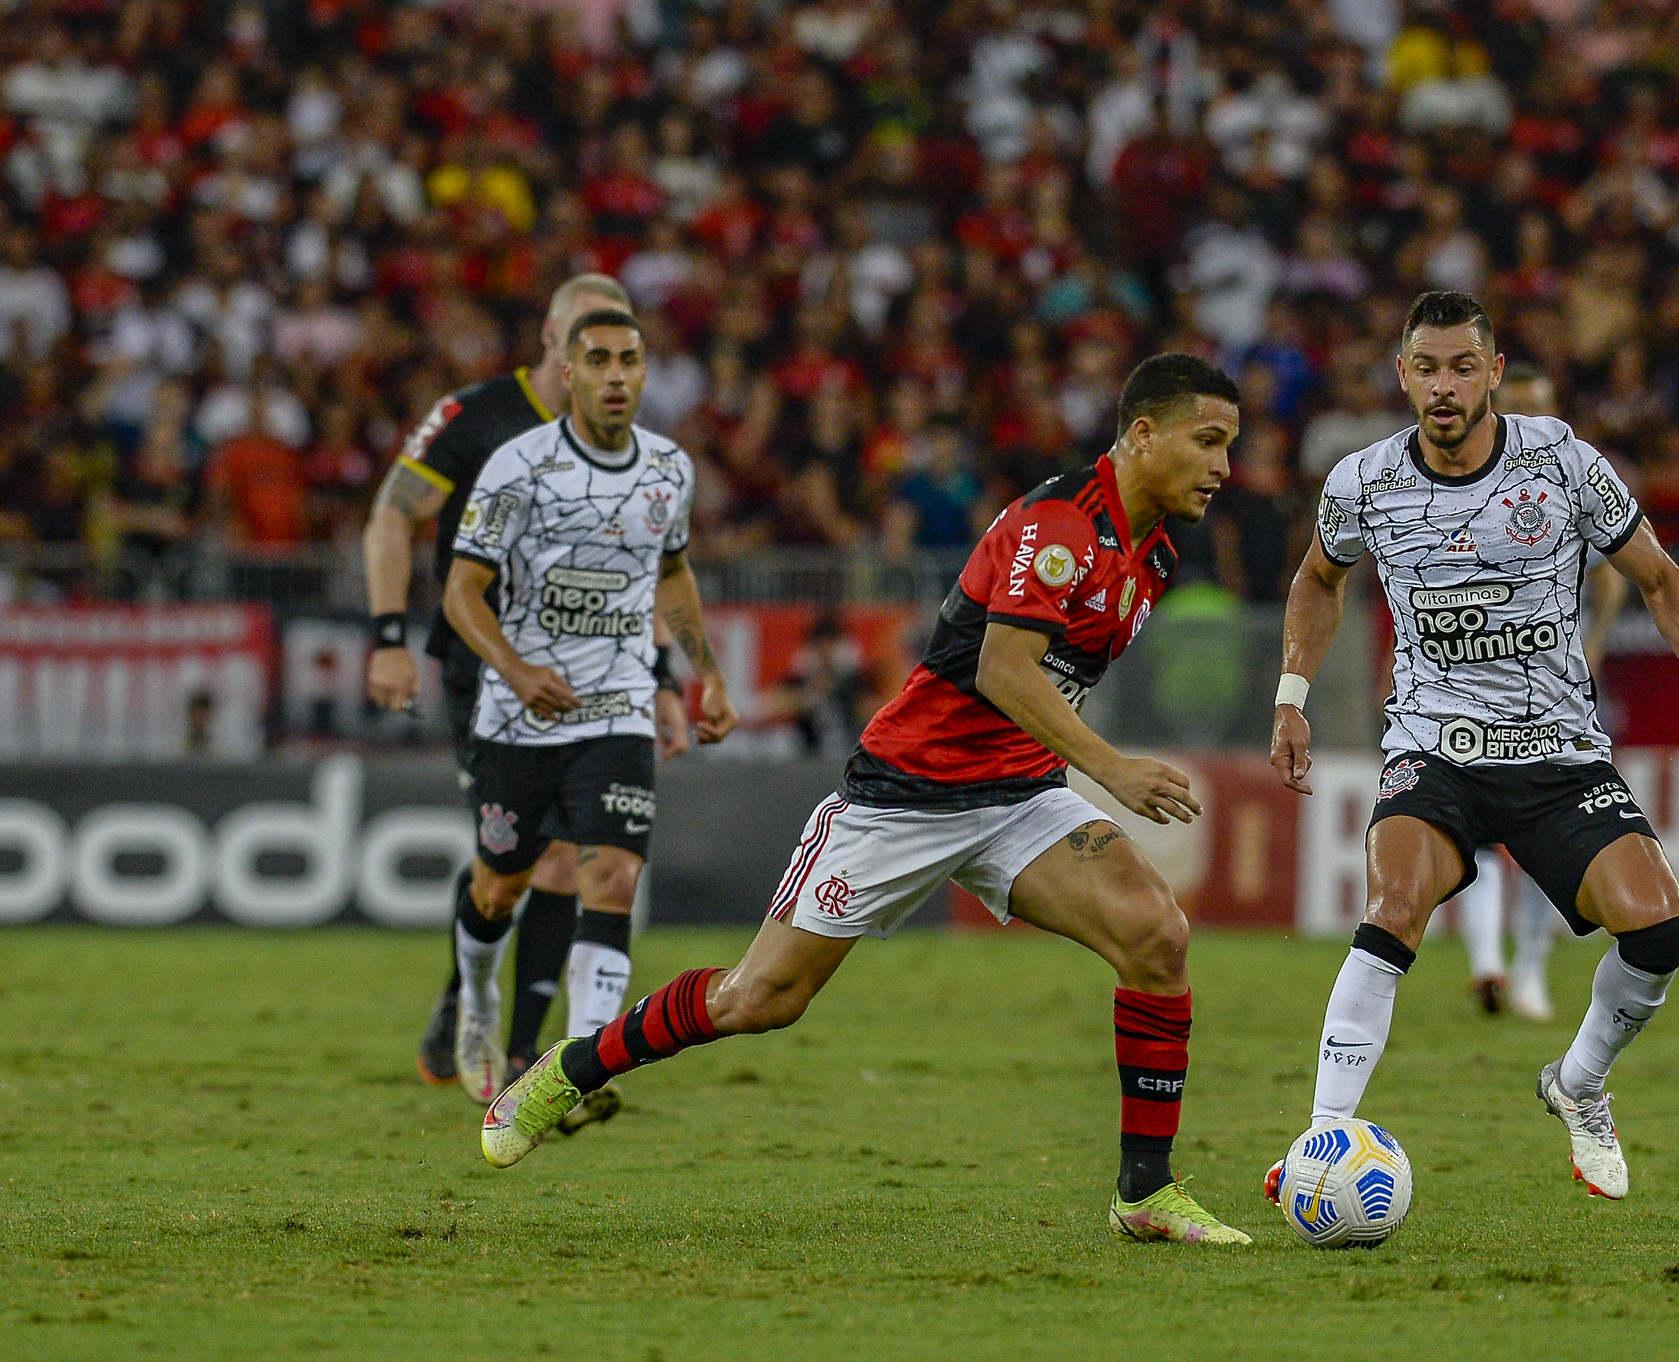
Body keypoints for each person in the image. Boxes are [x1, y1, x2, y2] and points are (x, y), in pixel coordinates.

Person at [480, 354, 1255, 1247]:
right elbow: (1006, 671)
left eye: (1230, 447)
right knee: (757, 1000)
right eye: (1208, 442)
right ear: (1144, 433)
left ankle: (1145, 1193)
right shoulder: (1062, 527)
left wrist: (1075, 774)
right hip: (906, 795)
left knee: (1156, 936)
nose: (1223, 468)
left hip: (1017, 795)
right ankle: (571, 1067)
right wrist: (1113, 771)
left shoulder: (1152, 551)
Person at [1269, 293, 1679, 1199]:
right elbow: (1319, 580)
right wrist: (1291, 696)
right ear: (1403, 376)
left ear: (1494, 372)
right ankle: (1322, 1141)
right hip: (1433, 746)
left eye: (1462, 366)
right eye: (1426, 368)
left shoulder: (1562, 461)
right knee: (1393, 909)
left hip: (1557, 751)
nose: (1443, 386)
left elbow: (1659, 577)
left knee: (1658, 927)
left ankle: (1579, 1084)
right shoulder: (1364, 482)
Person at [363, 276, 692, 1103]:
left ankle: (526, 1061)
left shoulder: (641, 454)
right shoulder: (479, 420)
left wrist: (666, 679)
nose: (606, 360)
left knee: (575, 863)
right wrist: (387, 636)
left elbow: (641, 573)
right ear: (554, 339)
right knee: (511, 861)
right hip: (487, 669)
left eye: (623, 346)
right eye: (587, 338)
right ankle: (465, 996)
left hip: (602, 677)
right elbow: (391, 516)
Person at [442, 308, 737, 1110]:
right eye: (598, 360)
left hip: (616, 706)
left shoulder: (669, 468)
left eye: (629, 361)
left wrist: (702, 672)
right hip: (520, 712)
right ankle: (476, 1001)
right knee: (500, 886)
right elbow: (461, 590)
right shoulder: (518, 466)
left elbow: (671, 572)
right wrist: (513, 665)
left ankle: (577, 1066)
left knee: (608, 874)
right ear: (568, 373)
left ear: (646, 374)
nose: (615, 375)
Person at [1450, 361, 1631, 1024]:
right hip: (1477, 686)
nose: (1529, 423)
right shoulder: (1461, 483)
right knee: (1475, 831)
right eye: (1516, 408)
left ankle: (1524, 970)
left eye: (1539, 408)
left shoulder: (1577, 477)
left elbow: (1613, 574)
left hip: (1558, 692)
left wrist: (1597, 642)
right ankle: (1489, 966)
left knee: (1544, 837)